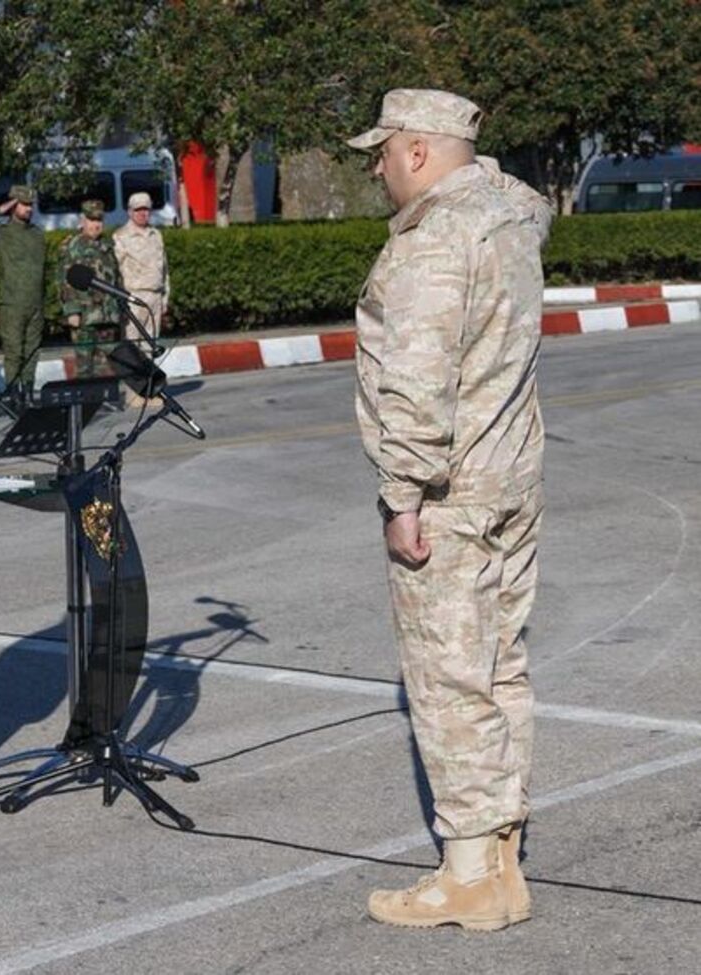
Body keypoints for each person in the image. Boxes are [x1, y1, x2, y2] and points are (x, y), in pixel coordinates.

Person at [349, 89, 553, 931]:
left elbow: (418, 378)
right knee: (501, 664)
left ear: (422, 151)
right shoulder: (510, 216)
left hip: (450, 492)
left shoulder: (436, 238)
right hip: (509, 478)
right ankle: (501, 857)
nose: (379, 166)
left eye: (387, 150)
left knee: (448, 678)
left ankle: (468, 871)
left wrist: (403, 493)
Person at [58, 198, 121, 377]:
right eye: (92, 220)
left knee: (107, 366)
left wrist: (120, 306)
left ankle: (106, 401)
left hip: (107, 316)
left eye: (99, 220)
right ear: (83, 220)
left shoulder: (107, 245)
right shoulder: (73, 246)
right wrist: (72, 311)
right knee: (85, 366)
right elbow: (65, 280)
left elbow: (116, 278)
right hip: (85, 316)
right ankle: (86, 403)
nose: (96, 225)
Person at [0, 185, 45, 399]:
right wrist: (3, 208)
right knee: (14, 352)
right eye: (23, 204)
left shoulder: (37, 234)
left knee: (32, 351)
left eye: (30, 205)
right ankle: (14, 396)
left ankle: (28, 394)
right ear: (13, 205)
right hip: (12, 303)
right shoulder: (3, 233)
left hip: (35, 302)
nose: (28, 209)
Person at [112, 191, 169, 343]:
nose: (143, 213)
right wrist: (121, 300)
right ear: (130, 212)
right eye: (138, 210)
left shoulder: (156, 235)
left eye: (146, 209)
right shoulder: (121, 236)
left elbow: (164, 270)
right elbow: (115, 271)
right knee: (132, 345)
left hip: (155, 296)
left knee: (151, 344)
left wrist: (165, 297)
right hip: (134, 297)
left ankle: (148, 367)